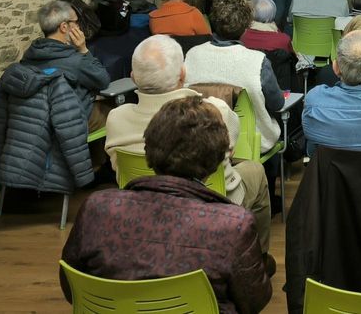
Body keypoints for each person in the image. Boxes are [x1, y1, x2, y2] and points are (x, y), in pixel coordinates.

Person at [63, 96, 272, 314]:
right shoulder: (233, 225)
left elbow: (71, 287)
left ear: (149, 147)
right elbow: (255, 301)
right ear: (218, 159)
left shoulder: (96, 208)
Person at [103, 35, 273, 255]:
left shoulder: (116, 119)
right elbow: (229, 148)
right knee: (255, 170)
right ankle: (257, 257)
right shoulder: (214, 111)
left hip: (140, 205)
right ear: (182, 75)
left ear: (133, 77)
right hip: (212, 203)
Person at [184, 0, 284, 150]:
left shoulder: (192, 55)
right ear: (246, 28)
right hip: (251, 143)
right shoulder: (258, 61)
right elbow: (277, 104)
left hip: (200, 139)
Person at [21, 0, 111, 164]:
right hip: (71, 121)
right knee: (114, 111)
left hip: (43, 120)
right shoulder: (74, 60)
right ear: (64, 27)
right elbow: (103, 80)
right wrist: (84, 49)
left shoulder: (29, 55)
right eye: (76, 22)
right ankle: (101, 165)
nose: (79, 27)